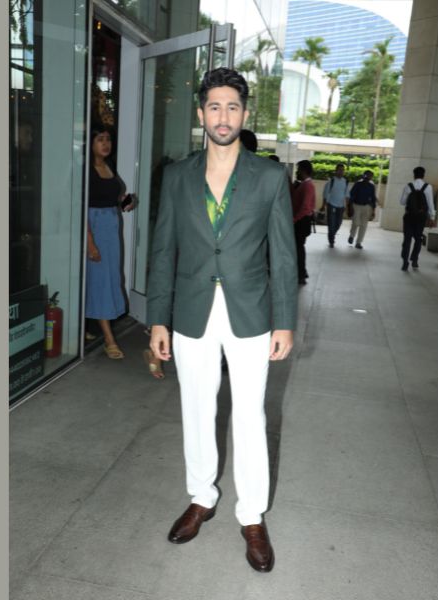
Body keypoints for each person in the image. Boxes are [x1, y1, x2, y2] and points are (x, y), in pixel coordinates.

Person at [146, 67, 297, 573]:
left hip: (251, 311)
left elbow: (284, 254)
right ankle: (201, 497)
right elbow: (163, 249)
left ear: (245, 113)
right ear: (201, 114)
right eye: (214, 106)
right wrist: (158, 318)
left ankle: (251, 515)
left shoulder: (270, 177)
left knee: (250, 415)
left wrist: (284, 321)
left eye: (232, 106)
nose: (223, 116)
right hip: (191, 311)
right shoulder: (176, 176)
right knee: (196, 408)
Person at [85, 124, 135, 358]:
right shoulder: (85, 170)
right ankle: (109, 339)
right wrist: (90, 243)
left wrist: (124, 202)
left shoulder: (108, 166)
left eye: (108, 139)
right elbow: (80, 207)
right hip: (94, 228)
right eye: (100, 139)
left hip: (110, 228)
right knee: (101, 281)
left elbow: (111, 197)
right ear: (90, 143)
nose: (106, 144)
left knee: (107, 278)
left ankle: (88, 325)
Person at [399, 165, 436, 271]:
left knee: (407, 239)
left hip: (409, 216)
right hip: (421, 217)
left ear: (414, 175)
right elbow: (430, 203)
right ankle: (414, 259)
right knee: (418, 239)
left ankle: (405, 262)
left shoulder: (408, 186)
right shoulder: (428, 187)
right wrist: (432, 217)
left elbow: (402, 202)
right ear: (423, 175)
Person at [292, 160, 315, 284]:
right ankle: (300, 272)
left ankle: (301, 273)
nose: (297, 172)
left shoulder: (307, 185)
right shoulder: (306, 184)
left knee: (298, 247)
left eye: (298, 169)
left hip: (302, 221)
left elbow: (305, 207)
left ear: (303, 170)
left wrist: (294, 219)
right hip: (302, 220)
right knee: (298, 247)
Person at [347, 169, 378, 249]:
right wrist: (350, 206)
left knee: (364, 225)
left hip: (367, 207)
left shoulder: (371, 186)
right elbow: (352, 195)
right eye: (367, 175)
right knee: (356, 223)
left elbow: (373, 199)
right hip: (356, 205)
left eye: (370, 176)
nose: (368, 177)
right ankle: (352, 235)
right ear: (363, 175)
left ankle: (359, 242)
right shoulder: (358, 184)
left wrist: (373, 211)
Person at [321, 162, 348, 247]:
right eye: (339, 170)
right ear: (335, 171)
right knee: (331, 223)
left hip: (341, 206)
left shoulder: (345, 182)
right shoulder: (331, 181)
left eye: (342, 170)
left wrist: (347, 206)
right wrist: (323, 205)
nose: (341, 172)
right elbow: (325, 194)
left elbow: (347, 195)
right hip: (331, 205)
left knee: (338, 223)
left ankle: (332, 235)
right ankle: (331, 240)